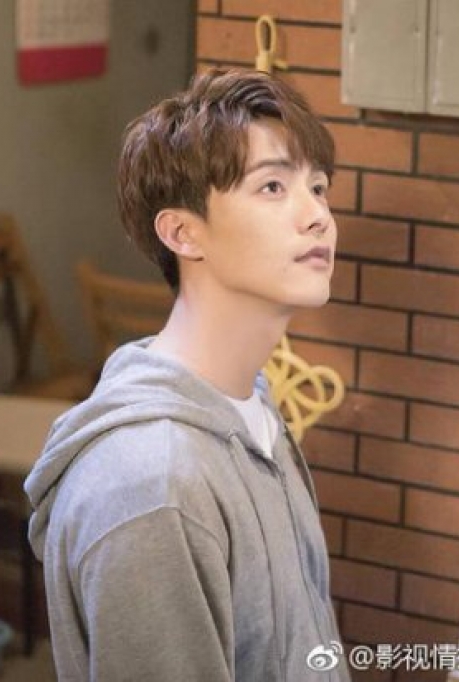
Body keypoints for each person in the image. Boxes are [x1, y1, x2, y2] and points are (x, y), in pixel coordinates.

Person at [24, 67, 351, 681]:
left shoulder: (250, 409)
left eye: (318, 187)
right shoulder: (153, 486)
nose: (318, 216)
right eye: (273, 186)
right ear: (182, 232)